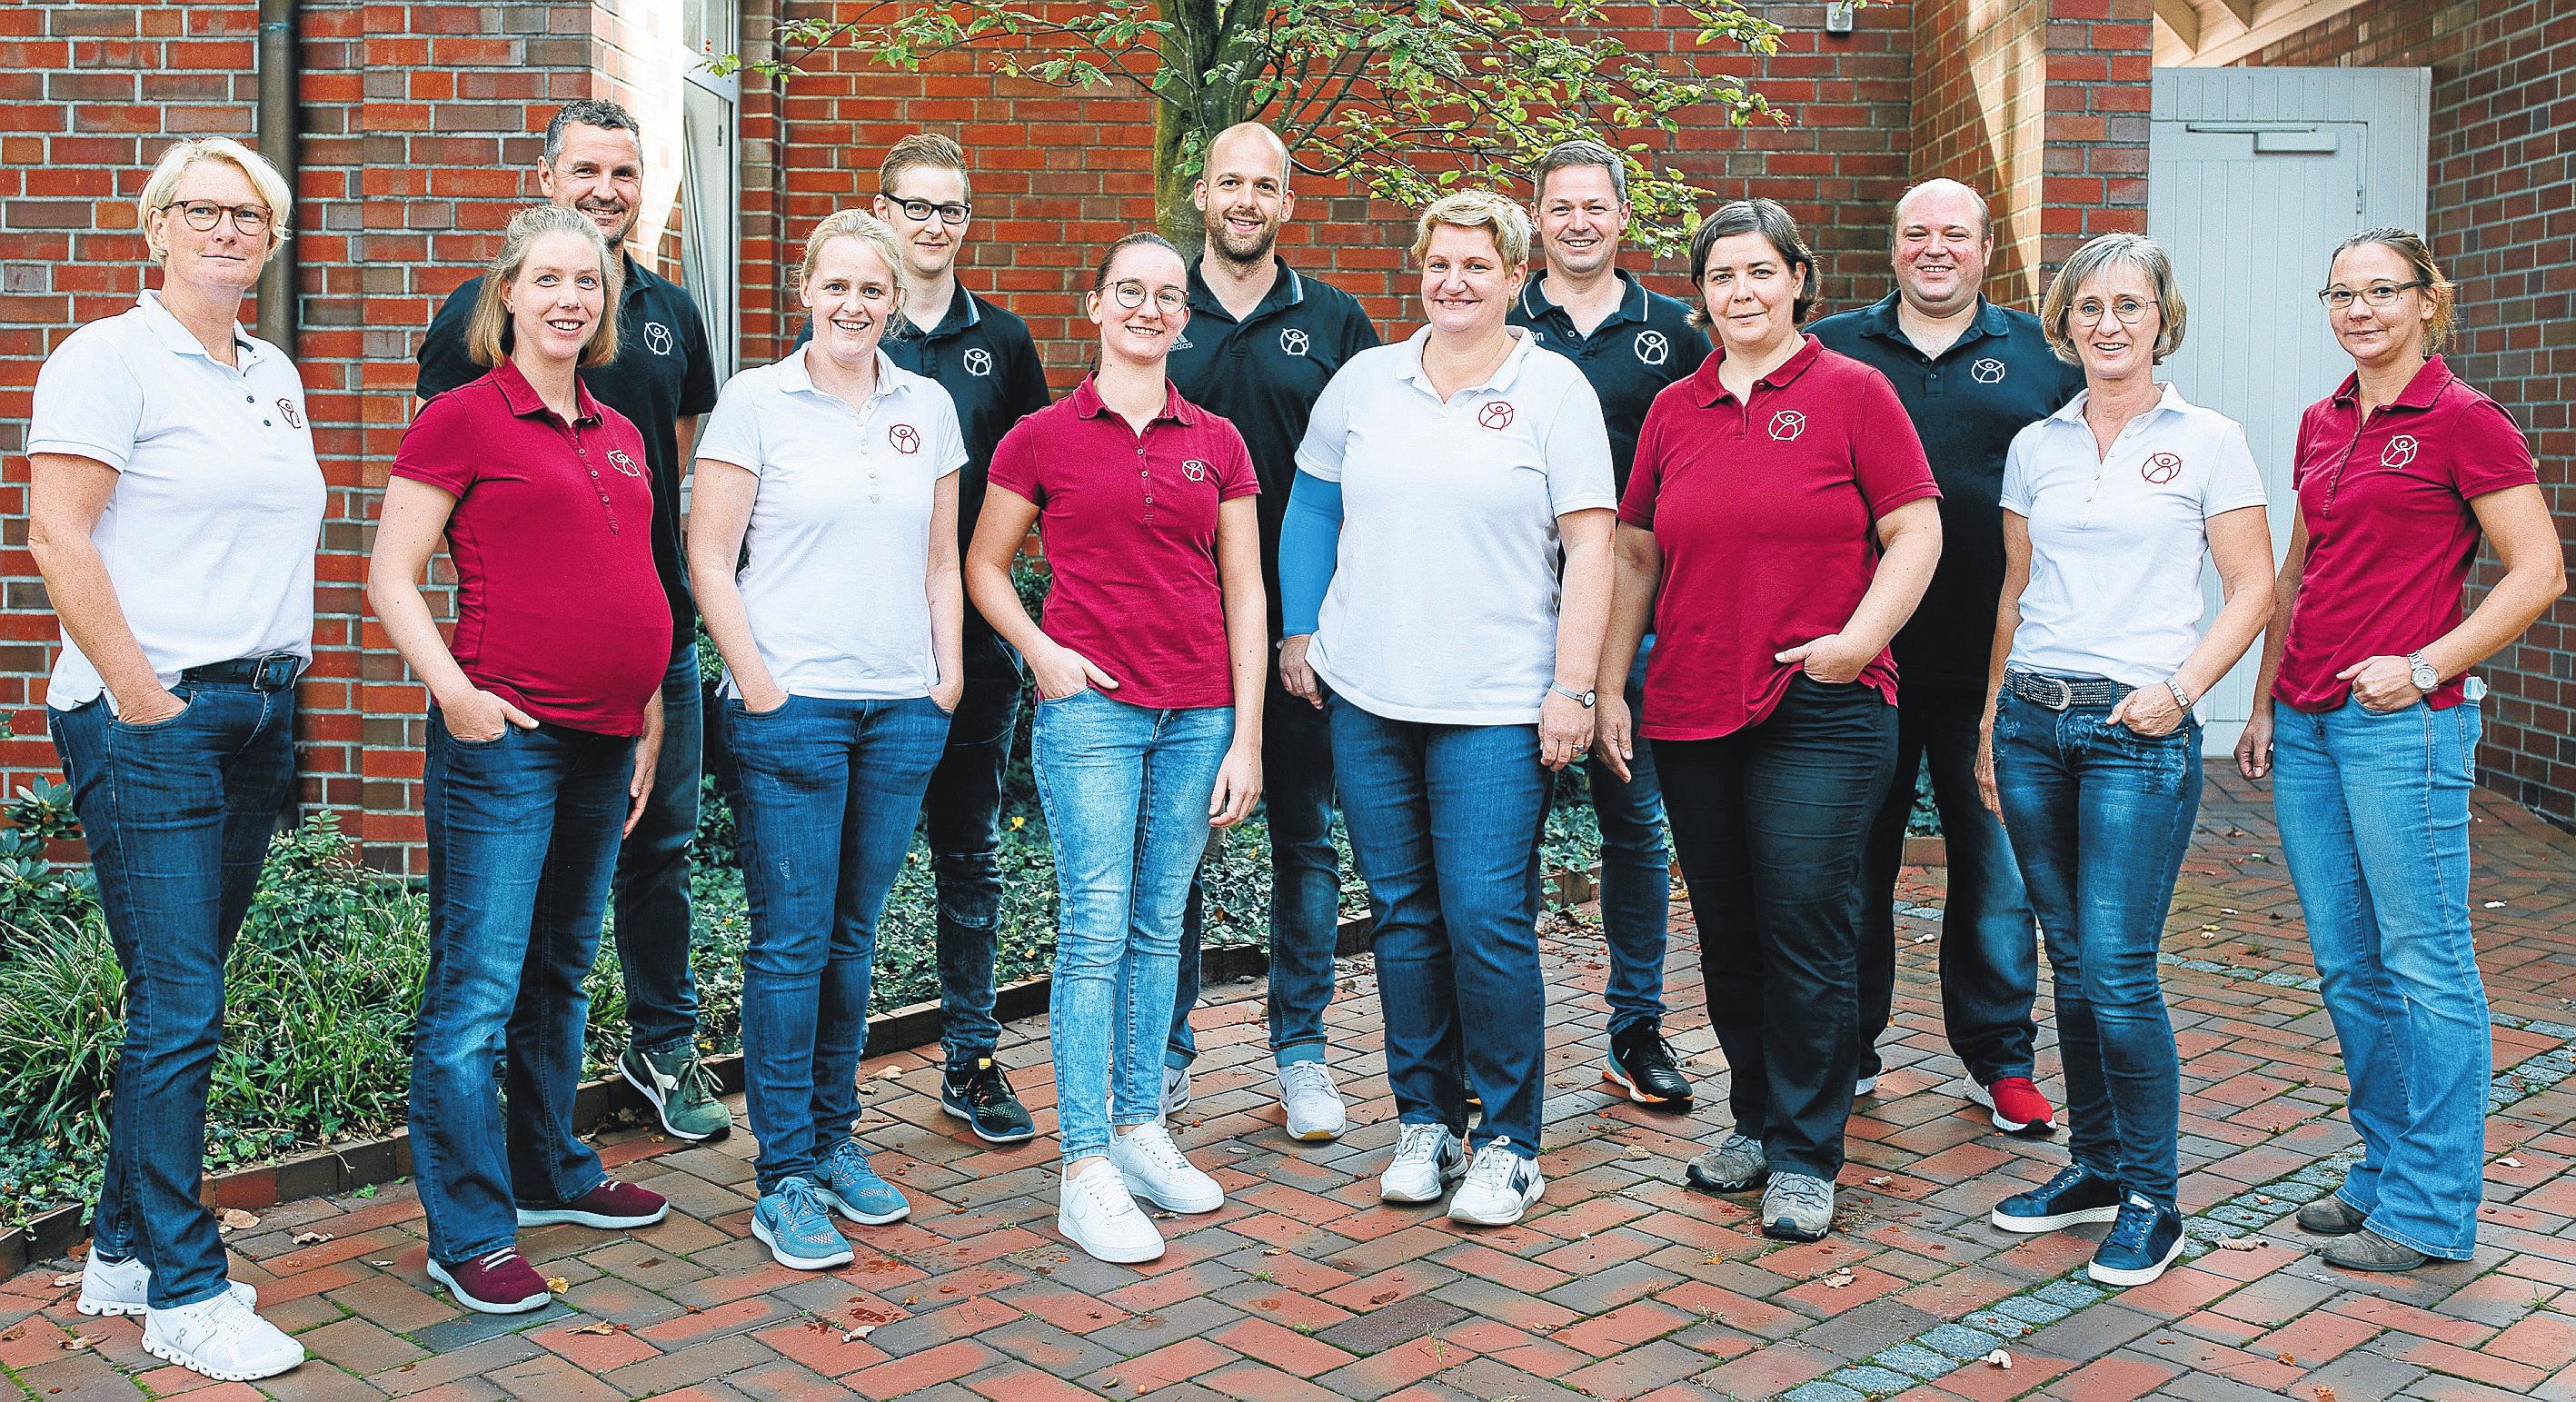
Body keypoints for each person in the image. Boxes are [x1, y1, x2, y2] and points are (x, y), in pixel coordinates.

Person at [28, 136, 319, 1383]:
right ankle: (187, 1294)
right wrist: (143, 698)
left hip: (254, 710)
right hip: (154, 716)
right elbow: (58, 532)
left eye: (248, 213)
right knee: (184, 1003)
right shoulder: (107, 357)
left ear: (271, 236)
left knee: (172, 994)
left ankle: (119, 1252)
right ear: (154, 228)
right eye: (200, 208)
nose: (225, 228)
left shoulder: (270, 368)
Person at [1599, 198, 1942, 1243]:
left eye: (1759, 272)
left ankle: (1805, 1149)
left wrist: (1856, 639)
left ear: (1799, 277)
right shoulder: (1675, 409)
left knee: (1806, 920)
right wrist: (1611, 684)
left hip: (1823, 703)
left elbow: (1916, 529)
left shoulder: (1854, 391)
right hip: (1695, 702)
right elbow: (1634, 554)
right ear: (1699, 295)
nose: (1740, 293)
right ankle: (1755, 1115)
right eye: (1719, 277)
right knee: (1732, 926)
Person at [1279, 188, 1616, 1228]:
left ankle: (1511, 1139)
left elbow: (1594, 543)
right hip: (1370, 693)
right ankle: (1425, 1119)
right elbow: (1312, 507)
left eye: (1478, 266)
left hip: (1496, 700)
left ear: (1517, 278)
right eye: (1439, 264)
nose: (1455, 282)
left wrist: (1573, 686)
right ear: (1417, 270)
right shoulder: (1367, 381)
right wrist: (1300, 630)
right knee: (1404, 919)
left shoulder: (1554, 388)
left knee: (1484, 915)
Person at [2235, 229, 2564, 1273]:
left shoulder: (2466, 421)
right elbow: (2298, 570)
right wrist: (2259, 702)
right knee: (2347, 966)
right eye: (2342, 292)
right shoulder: (2321, 419)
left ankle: (2430, 1210)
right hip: (2308, 723)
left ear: (2429, 300)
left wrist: (2424, 666)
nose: (2360, 310)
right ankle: (2382, 1171)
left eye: (2383, 291)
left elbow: (2539, 570)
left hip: (2403, 728)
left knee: (2426, 963)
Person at [373, 204, 676, 1315]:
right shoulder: (462, 417)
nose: (569, 299)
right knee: (475, 993)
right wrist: (455, 696)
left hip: (607, 741)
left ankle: (548, 1169)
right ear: (508, 294)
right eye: (547, 279)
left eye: (587, 283)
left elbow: (628, 582)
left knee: (560, 968)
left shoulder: (620, 430)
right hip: (506, 745)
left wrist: (646, 706)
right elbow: (390, 575)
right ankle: (468, 1228)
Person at [415, 98, 730, 1144]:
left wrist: (660, 651)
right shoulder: (474, 325)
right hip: (516, 681)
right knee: (496, 931)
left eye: (626, 174)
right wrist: (465, 678)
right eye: (586, 170)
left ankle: (658, 1048)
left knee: (655, 854)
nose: (606, 192)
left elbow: (672, 476)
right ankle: (481, 1166)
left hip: (649, 664)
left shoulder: (672, 316)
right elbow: (437, 513)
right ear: (547, 177)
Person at [1974, 233, 2273, 1288]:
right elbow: (2016, 595)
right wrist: (1985, 725)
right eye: (2089, 307)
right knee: (2070, 963)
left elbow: (2251, 590)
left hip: (2137, 733)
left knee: (2117, 969)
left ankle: (2154, 1196)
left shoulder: (2209, 440)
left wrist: (2183, 690)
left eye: (2129, 305)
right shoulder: (2037, 445)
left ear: (2162, 317)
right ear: (2063, 323)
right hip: (2032, 724)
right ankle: (2096, 1166)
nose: (2109, 323)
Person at [966, 233, 1268, 1264]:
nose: (1148, 309)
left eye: (1167, 296)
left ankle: (1141, 1129)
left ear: (1186, 318)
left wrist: (1249, 735)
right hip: (1091, 710)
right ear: (1094, 304)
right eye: (1128, 291)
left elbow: (1245, 591)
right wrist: (1043, 654)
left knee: (1156, 925)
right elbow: (985, 566)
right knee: (1095, 927)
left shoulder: (1218, 441)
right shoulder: (1040, 437)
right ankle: (1083, 1165)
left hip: (1198, 717)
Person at [690, 211, 969, 1268]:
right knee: (792, 940)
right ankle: (785, 1175)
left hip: (899, 710)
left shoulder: (928, 405)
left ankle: (836, 1138)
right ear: (805, 288)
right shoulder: (757, 401)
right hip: (792, 710)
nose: (855, 306)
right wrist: (760, 683)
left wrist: (943, 680)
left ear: (897, 300)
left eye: (874, 290)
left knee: (854, 941)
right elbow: (710, 559)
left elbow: (942, 560)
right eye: (837, 286)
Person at [792, 134, 1056, 1141]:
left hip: (967, 646)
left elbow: (1039, 480)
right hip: (848, 647)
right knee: (841, 880)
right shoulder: (851, 324)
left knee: (969, 854)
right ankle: (824, 1085)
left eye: (953, 209)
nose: (935, 226)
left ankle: (973, 1057)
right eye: (917, 206)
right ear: (882, 210)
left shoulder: (1007, 343)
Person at [1810, 178, 2083, 1130]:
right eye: (1916, 233)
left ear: (1986, 247)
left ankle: (2000, 1058)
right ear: (1892, 248)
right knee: (1849, 868)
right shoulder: (1833, 348)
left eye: (1954, 234)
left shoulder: (2043, 358)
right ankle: (1846, 1051)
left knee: (1998, 876)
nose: (1935, 249)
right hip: (1861, 663)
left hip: (1995, 664)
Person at [1161, 122, 1379, 1140]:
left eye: (1266, 186)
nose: (1247, 200)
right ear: (1201, 193)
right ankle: (1164, 1053)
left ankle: (1301, 1053)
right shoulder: (1159, 306)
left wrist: (1329, 621)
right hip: (1179, 632)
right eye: (1229, 182)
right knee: (1179, 850)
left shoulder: (1335, 323)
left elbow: (1375, 483)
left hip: (1302, 635)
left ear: (1289, 203)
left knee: (1305, 842)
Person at [1507, 138, 1708, 1110]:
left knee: (1637, 829)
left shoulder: (1675, 332)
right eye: (1561, 206)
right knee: (1507, 838)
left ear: (1623, 217)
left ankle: (1636, 1029)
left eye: (1596, 205)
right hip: (1510, 622)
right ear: (1536, 216)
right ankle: (1500, 1038)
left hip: (1641, 628)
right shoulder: (1497, 323)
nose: (1578, 222)